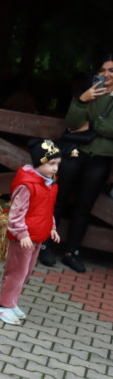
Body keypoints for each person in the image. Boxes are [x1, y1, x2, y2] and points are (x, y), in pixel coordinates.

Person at [49, 56, 113, 273]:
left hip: (101, 158)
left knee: (84, 207)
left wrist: (93, 124)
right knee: (58, 199)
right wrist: (81, 100)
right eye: (103, 70)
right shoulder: (89, 93)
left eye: (111, 71)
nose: (106, 75)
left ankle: (71, 252)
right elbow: (73, 124)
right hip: (76, 153)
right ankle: (45, 244)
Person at [0, 141, 61, 325]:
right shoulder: (27, 185)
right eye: (51, 163)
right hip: (23, 238)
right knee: (16, 272)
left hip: (37, 236)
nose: (55, 168)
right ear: (39, 162)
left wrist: (52, 227)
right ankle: (4, 306)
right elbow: (16, 213)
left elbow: (47, 210)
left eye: (57, 164)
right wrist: (22, 234)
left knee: (26, 272)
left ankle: (12, 302)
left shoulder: (49, 184)